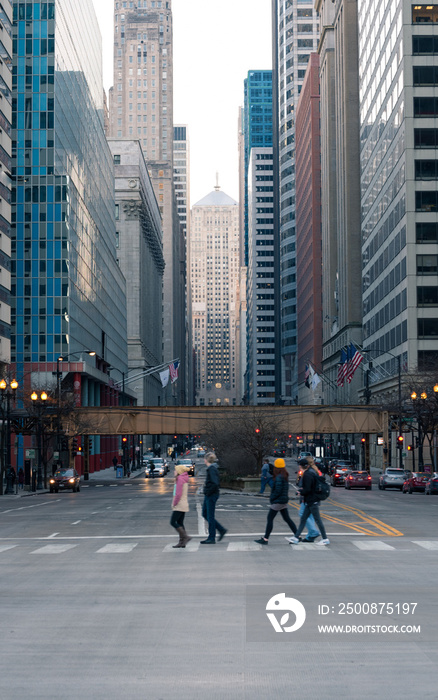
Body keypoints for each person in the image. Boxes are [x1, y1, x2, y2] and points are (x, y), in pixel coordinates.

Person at [255, 459, 297, 545]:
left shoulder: (278, 477)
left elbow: (277, 490)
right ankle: (297, 536)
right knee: (287, 519)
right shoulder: (284, 475)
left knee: (270, 518)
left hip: (278, 501)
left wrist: (272, 499)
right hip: (283, 500)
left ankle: (265, 539)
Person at [289, 457, 330, 546]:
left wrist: (300, 492)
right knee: (303, 519)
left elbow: (308, 489)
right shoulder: (310, 473)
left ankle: (325, 538)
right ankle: (296, 537)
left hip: (312, 500)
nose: (299, 467)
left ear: (302, 466)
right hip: (310, 501)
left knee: (318, 520)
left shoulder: (307, 475)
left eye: (300, 465)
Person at [201, 452, 227, 544]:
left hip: (211, 495)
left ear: (206, 460)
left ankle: (212, 537)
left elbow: (215, 483)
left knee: (210, 516)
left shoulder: (212, 469)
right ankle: (221, 529)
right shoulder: (212, 468)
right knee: (204, 513)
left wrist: (208, 491)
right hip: (210, 494)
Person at [296, 460, 320, 543]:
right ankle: (310, 536)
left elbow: (307, 488)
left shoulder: (308, 473)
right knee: (310, 517)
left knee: (303, 514)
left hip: (308, 499)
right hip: (313, 498)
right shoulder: (314, 472)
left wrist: (301, 492)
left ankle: (313, 532)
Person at [171, 464, 192, 548]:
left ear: (179, 472)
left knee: (173, 522)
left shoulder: (180, 479)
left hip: (179, 504)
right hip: (183, 503)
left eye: (175, 470)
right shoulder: (184, 478)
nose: (174, 471)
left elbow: (178, 493)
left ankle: (185, 537)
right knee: (180, 522)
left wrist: (174, 503)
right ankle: (182, 542)